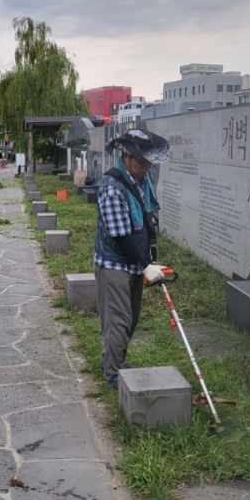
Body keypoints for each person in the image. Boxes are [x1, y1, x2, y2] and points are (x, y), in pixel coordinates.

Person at [93, 129, 170, 389]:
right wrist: (146, 265)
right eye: (141, 161)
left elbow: (147, 220)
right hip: (115, 263)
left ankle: (118, 362)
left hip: (136, 261)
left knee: (132, 318)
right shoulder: (112, 188)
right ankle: (113, 373)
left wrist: (149, 259)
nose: (146, 166)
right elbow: (121, 238)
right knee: (119, 320)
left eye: (148, 161)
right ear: (126, 158)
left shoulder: (140, 181)